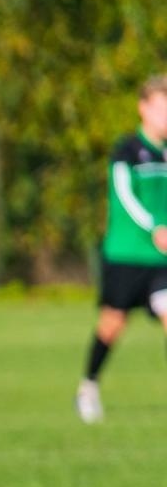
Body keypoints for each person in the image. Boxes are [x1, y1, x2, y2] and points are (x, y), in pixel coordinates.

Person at [75, 76, 167, 424]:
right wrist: (153, 226)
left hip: (162, 260)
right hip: (127, 254)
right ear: (143, 108)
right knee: (113, 324)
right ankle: (89, 386)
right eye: (161, 107)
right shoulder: (127, 150)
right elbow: (125, 195)